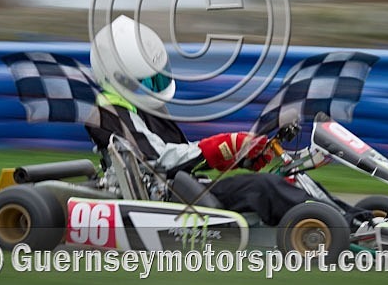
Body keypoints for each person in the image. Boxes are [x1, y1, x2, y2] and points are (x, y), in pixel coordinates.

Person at [85, 15, 316, 226]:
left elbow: (182, 155)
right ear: (120, 77)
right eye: (147, 81)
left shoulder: (143, 107)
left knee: (283, 180)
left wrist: (239, 155)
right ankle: (328, 224)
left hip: (184, 188)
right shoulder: (108, 115)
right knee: (264, 188)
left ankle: (340, 216)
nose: (154, 87)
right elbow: (159, 159)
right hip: (166, 200)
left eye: (157, 78)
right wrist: (219, 147)